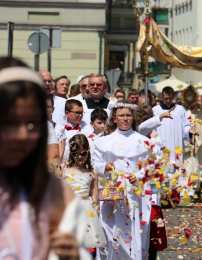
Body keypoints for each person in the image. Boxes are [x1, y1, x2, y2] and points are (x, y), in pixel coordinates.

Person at [0, 57, 79, 259]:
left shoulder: (54, 192)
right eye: (9, 123)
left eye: (32, 124)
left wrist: (70, 255)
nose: (22, 136)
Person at [93, 103, 151, 260]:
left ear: (133, 118)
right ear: (114, 118)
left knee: (132, 229)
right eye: (121, 115)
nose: (125, 119)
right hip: (112, 191)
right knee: (109, 228)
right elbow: (95, 163)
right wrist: (105, 166)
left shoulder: (143, 141)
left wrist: (138, 175)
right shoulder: (103, 141)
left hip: (134, 192)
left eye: (128, 115)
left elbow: (149, 166)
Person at [62, 134, 106, 259]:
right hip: (69, 208)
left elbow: (95, 197)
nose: (79, 157)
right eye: (76, 154)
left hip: (86, 210)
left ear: (87, 152)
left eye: (83, 153)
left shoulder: (91, 173)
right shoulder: (64, 169)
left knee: (86, 247)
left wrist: (95, 214)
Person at [152, 86, 190, 161]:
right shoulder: (155, 110)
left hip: (177, 144)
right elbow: (153, 129)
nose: (168, 100)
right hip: (162, 144)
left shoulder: (180, 109)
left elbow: (186, 125)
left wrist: (189, 130)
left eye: (170, 98)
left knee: (178, 164)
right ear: (162, 98)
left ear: (173, 97)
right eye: (166, 98)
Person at [55, 99, 88, 165]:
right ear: (67, 113)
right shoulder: (58, 128)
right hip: (63, 166)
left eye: (81, 113)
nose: (80, 115)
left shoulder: (87, 127)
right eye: (77, 112)